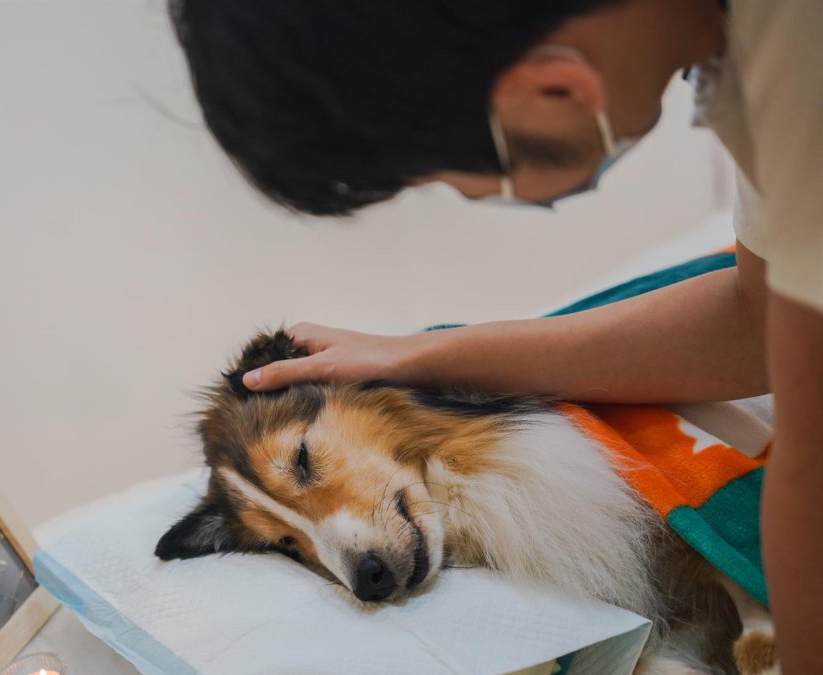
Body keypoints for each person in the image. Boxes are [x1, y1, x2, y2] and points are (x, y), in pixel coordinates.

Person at [168, 0, 821, 671]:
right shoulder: (749, 59)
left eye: (442, 173)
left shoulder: (801, 53)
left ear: (552, 87)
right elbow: (756, 323)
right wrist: (412, 353)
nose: (474, 195)